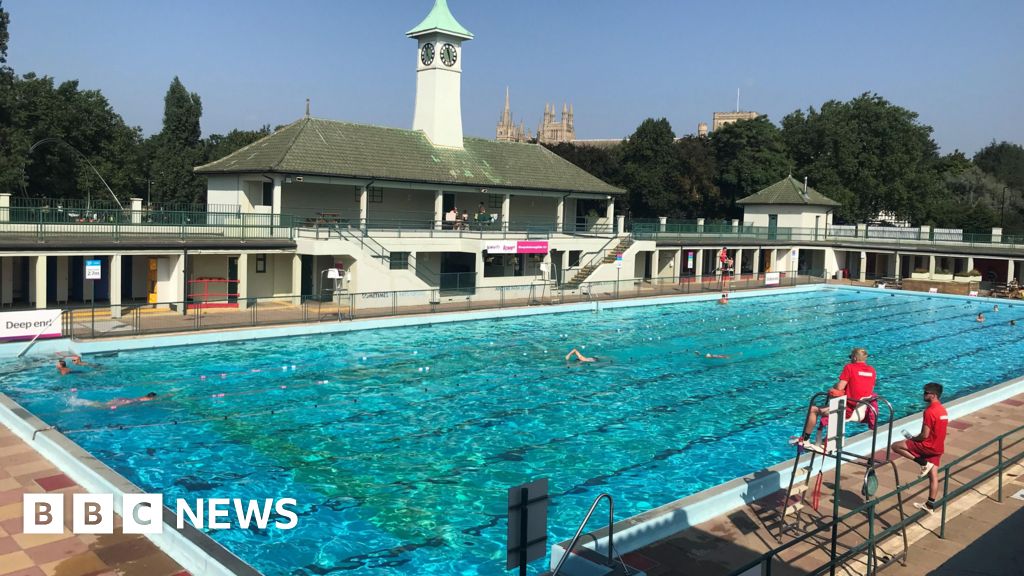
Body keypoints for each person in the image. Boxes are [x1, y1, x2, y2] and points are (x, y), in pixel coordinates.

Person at [795, 348, 878, 445]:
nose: (850, 359)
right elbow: (868, 388)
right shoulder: (872, 370)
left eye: (850, 357)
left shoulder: (850, 367)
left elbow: (840, 387)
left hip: (846, 410)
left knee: (813, 409)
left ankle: (805, 439)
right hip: (862, 410)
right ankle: (827, 440)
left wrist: (833, 387)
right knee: (835, 402)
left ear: (855, 358)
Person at [891, 382, 949, 512]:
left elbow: (924, 435)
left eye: (926, 393)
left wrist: (912, 439)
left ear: (933, 395)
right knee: (933, 476)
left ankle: (922, 463)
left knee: (895, 446)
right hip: (938, 448)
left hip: (927, 446)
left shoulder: (929, 411)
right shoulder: (943, 410)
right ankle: (930, 505)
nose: (923, 395)